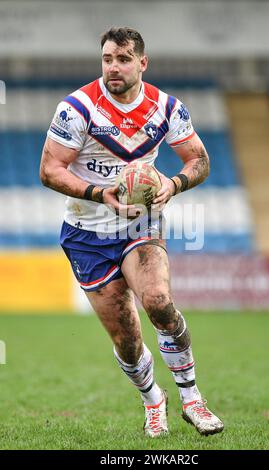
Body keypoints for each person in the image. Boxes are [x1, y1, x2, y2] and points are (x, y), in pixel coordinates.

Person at [40, 27, 224, 438]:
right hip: (86, 232)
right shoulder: (77, 108)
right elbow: (49, 170)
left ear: (143, 62)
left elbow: (199, 160)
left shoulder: (166, 108)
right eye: (107, 59)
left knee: (158, 302)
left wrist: (172, 184)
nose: (113, 68)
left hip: (140, 224)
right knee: (126, 339)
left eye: (123, 59)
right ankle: (153, 400)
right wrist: (100, 193)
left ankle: (193, 400)